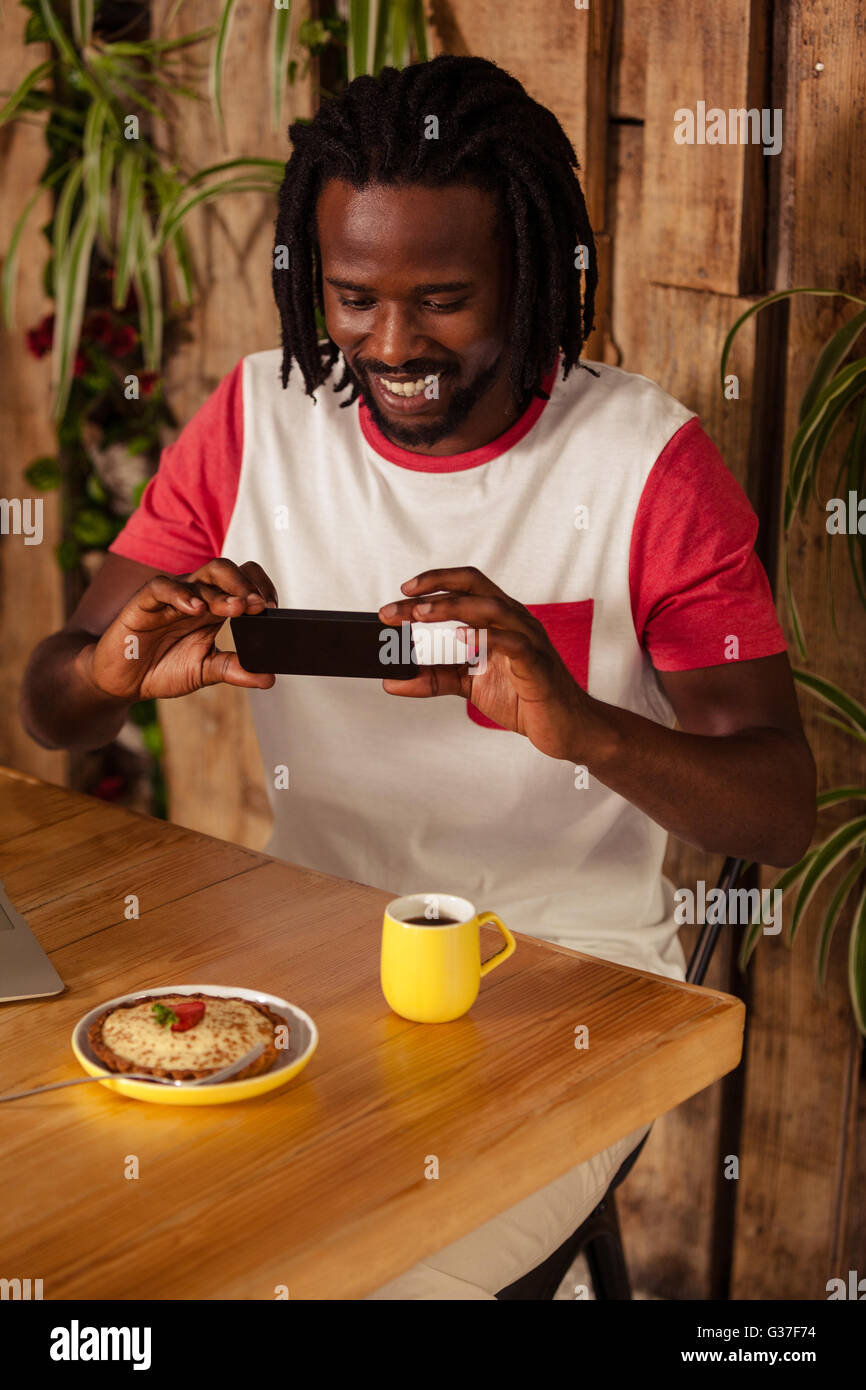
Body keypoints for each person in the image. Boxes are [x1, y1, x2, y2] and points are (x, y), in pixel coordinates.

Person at [20, 55, 815, 1299]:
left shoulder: (643, 462)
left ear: (535, 280)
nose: (391, 346)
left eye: (444, 299)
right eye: (352, 296)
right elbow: (53, 704)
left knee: (354, 1278)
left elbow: (775, 806)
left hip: (567, 982)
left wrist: (581, 725)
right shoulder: (260, 416)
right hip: (304, 945)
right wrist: (125, 660)